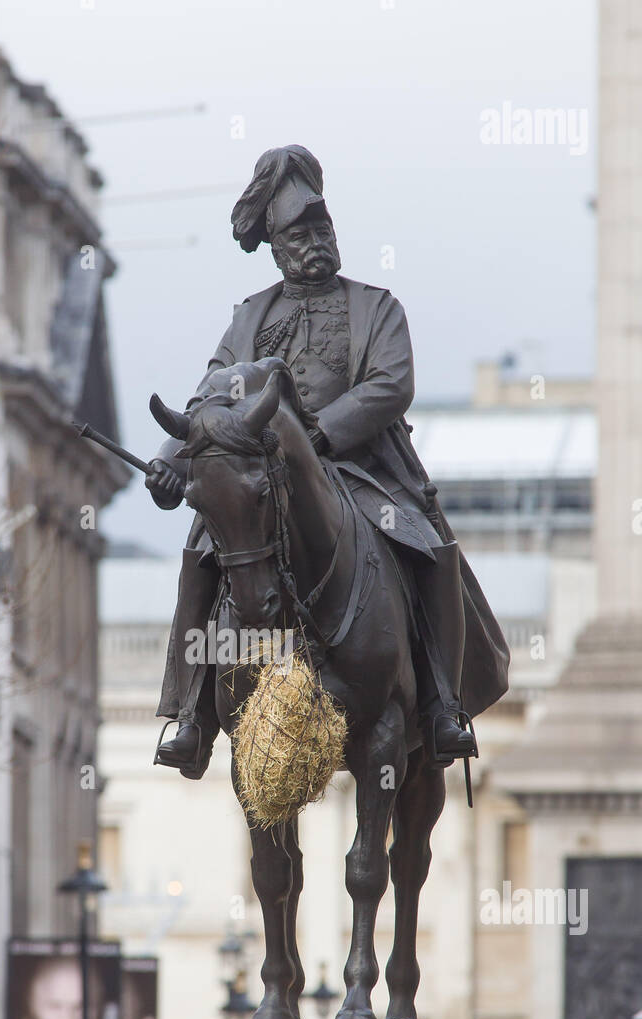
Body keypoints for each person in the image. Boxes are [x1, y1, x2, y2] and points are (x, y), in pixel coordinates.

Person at [146, 145, 508, 778]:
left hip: (364, 472)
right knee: (204, 549)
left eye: (322, 228)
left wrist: (317, 435)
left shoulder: (377, 307)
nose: (315, 242)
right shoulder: (248, 318)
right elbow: (208, 396)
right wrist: (170, 460)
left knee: (426, 544)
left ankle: (445, 705)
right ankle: (191, 711)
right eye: (299, 234)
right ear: (276, 246)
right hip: (266, 477)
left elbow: (389, 386)